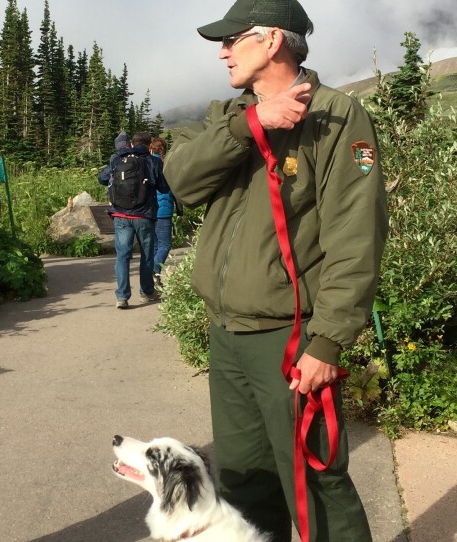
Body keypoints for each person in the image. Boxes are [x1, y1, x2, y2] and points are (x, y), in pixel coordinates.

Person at [163, 1, 388, 541]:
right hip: (228, 334)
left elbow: (356, 236)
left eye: (231, 40)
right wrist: (250, 126)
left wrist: (328, 340)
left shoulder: (336, 116)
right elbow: (181, 181)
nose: (221, 52)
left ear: (270, 42)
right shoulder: (227, 115)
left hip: (290, 340)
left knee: (315, 484)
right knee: (245, 483)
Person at [98, 131, 170, 309]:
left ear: (132, 143)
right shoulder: (152, 161)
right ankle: (146, 292)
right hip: (144, 215)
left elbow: (102, 177)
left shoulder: (118, 158)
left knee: (122, 256)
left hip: (121, 215)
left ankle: (122, 297)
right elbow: (163, 187)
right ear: (148, 144)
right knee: (146, 255)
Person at [148, 136, 183, 285]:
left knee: (156, 246)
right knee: (165, 245)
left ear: (151, 149)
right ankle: (152, 272)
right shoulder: (167, 164)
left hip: (149, 209)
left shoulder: (146, 163)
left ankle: (154, 277)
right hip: (164, 210)